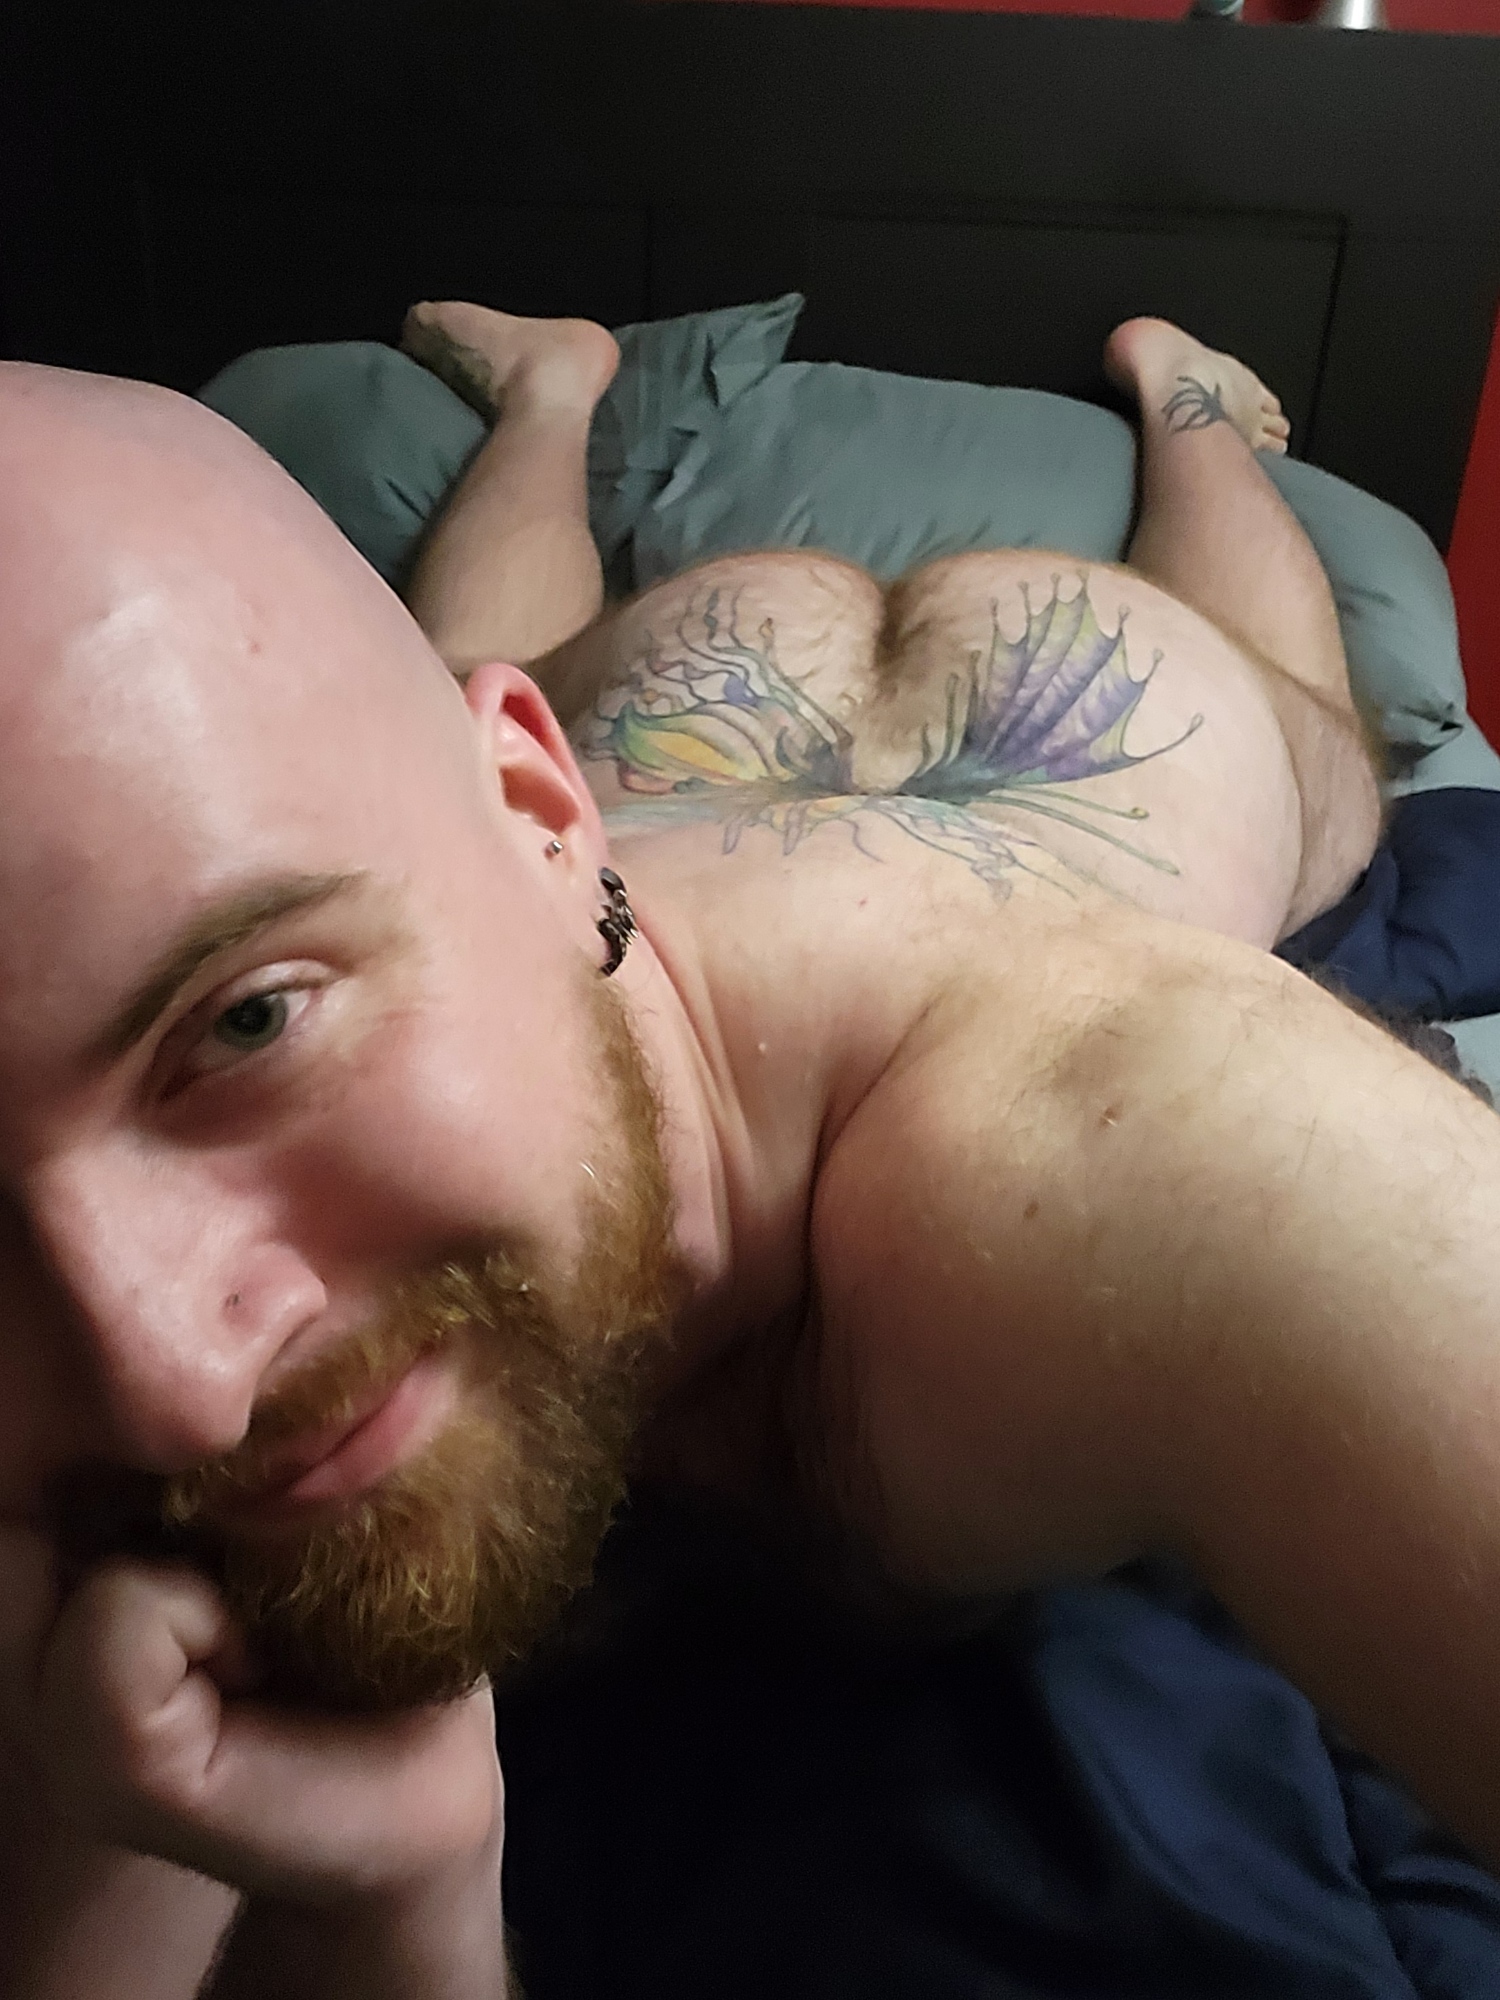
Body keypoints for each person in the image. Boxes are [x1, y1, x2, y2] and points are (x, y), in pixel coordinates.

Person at [0, 300, 1496, 2000]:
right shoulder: (407, 866)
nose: (166, 1390)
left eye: (251, 1022)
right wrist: (389, 1923)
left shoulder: (1126, 1129)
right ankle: (556, 390)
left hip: (1110, 727)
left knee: (1311, 718)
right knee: (472, 664)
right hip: (672, 722)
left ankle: (1191, 405)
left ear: (544, 823)